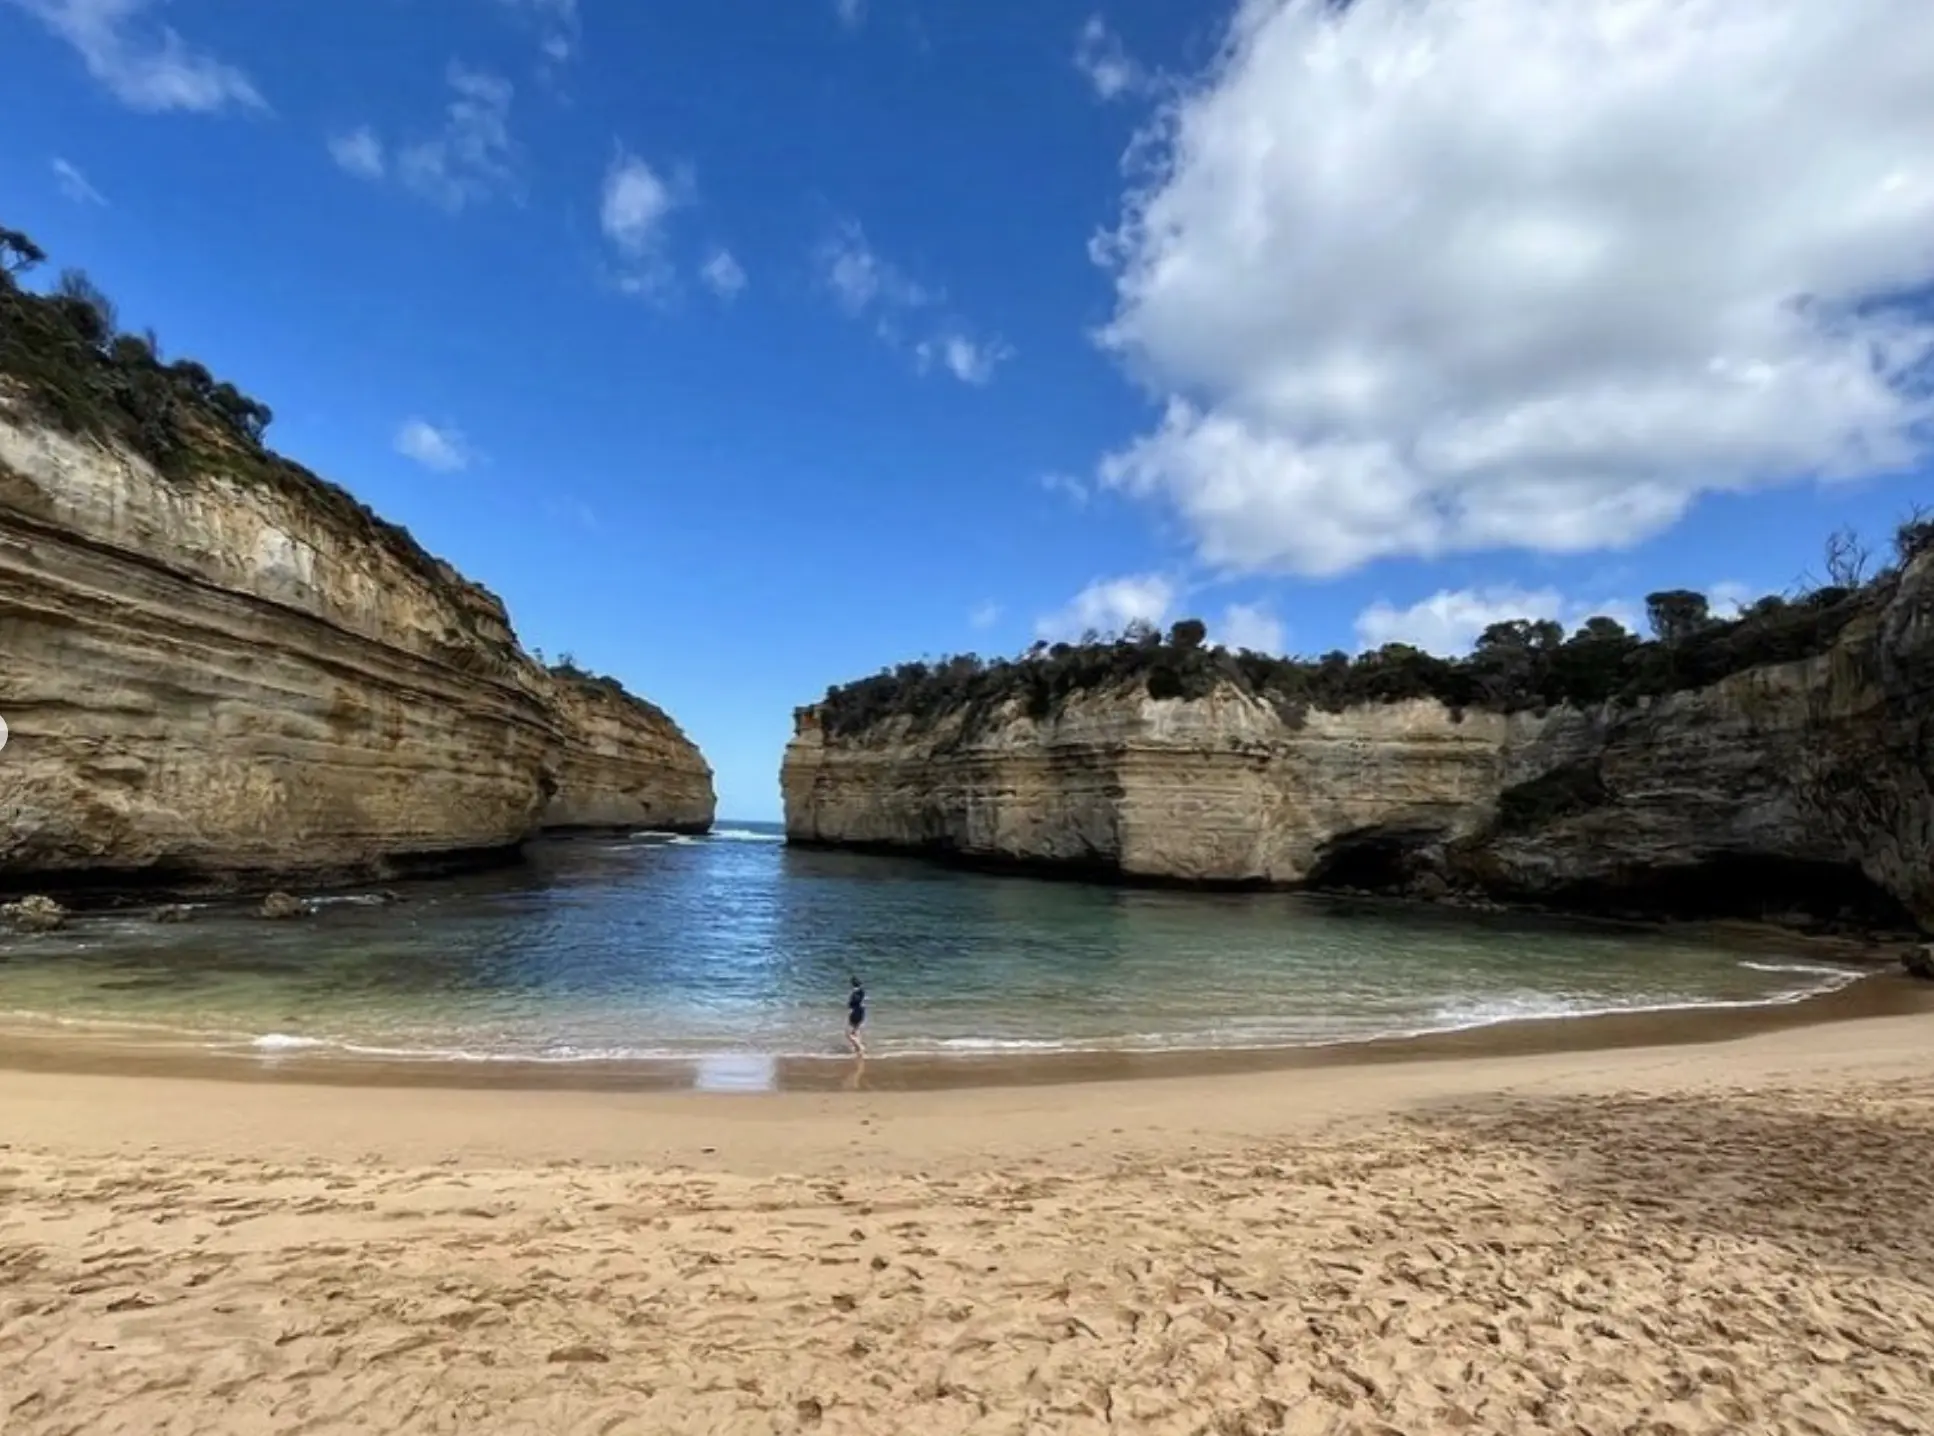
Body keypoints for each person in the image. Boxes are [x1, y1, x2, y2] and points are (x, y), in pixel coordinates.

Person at [845, 973, 867, 1057]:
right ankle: (857, 1049)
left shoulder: (855, 993)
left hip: (855, 1012)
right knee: (856, 1030)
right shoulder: (862, 991)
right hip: (861, 1011)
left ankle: (860, 1047)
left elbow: (852, 1004)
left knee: (849, 1034)